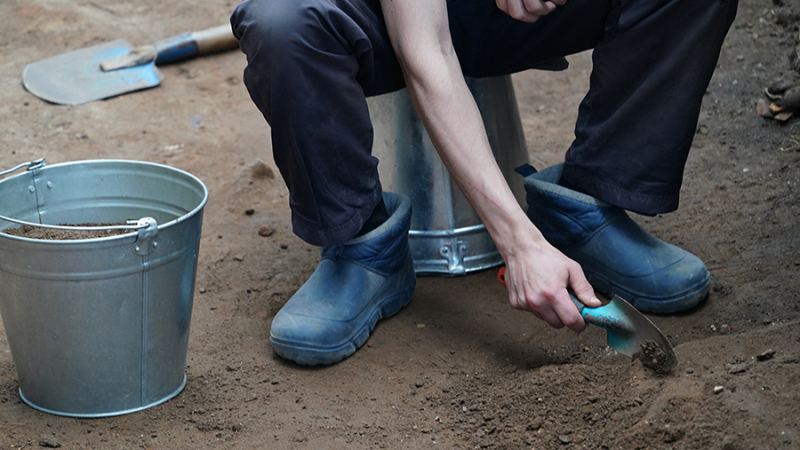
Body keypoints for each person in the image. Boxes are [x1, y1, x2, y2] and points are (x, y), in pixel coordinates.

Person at [230, 0, 738, 365]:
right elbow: (426, 51)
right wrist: (519, 245)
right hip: (380, 20)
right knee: (282, 21)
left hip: (514, 16)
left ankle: (588, 208)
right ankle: (364, 246)